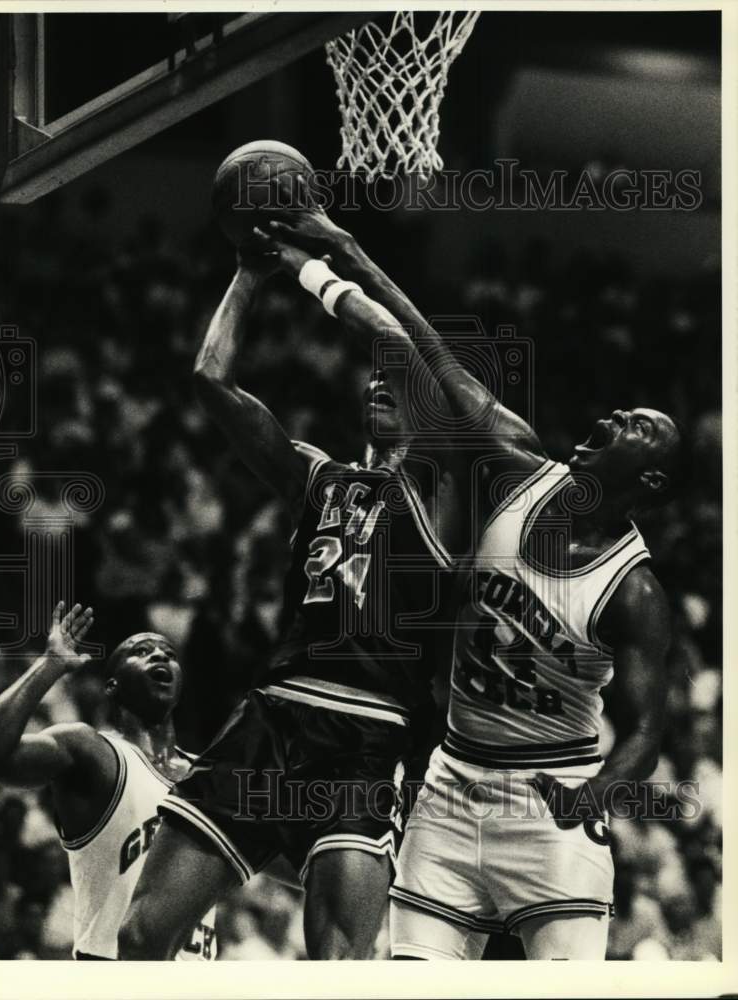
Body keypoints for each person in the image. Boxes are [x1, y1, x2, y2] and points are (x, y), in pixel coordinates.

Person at [261, 196, 683, 959]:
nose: (617, 415)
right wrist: (335, 260)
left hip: (547, 804)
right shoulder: (513, 467)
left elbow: (648, 731)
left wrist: (592, 794)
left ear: (647, 483)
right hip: (450, 787)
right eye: (621, 411)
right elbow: (424, 352)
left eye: (638, 426)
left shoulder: (633, 592)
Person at [118, 232, 462, 960]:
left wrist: (315, 265)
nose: (380, 381)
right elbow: (211, 381)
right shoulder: (320, 477)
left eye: (394, 381)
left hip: (368, 734)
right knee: (142, 933)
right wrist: (245, 274)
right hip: (272, 714)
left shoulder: (444, 484)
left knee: (335, 960)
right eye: (371, 380)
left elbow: (399, 342)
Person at [0, 602, 217, 960]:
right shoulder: (91, 751)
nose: (159, 654)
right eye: (142, 651)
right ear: (113, 685)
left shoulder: (210, 776)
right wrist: (50, 666)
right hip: (112, 971)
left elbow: (291, 855)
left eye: (168, 653)